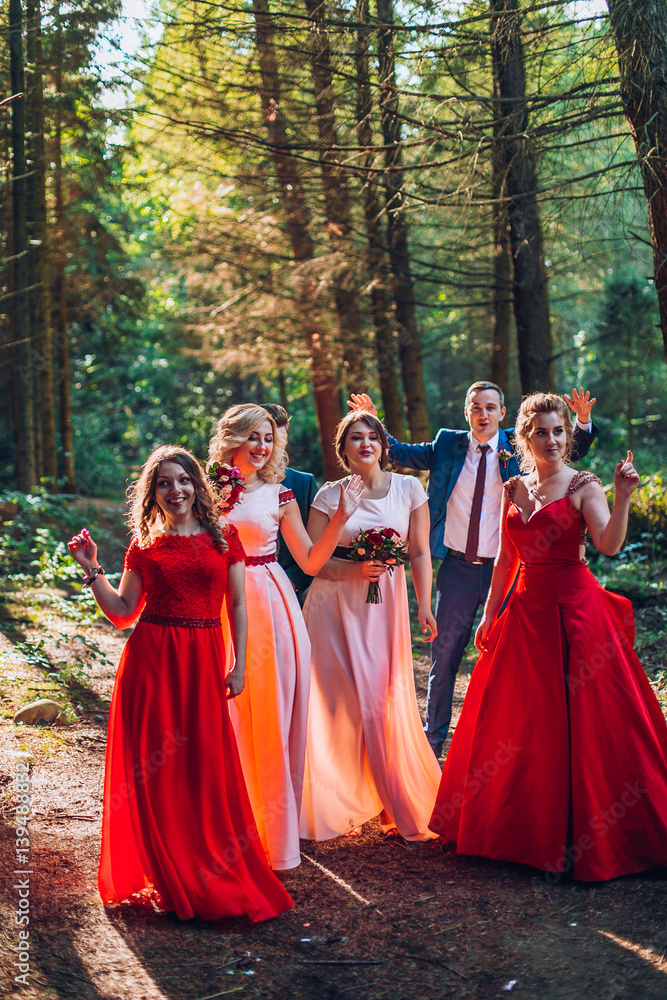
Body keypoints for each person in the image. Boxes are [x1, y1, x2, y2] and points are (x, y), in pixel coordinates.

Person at [429, 394, 667, 881]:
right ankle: (517, 831)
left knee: (589, 719)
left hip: (575, 611)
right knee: (520, 718)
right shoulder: (513, 485)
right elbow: (504, 561)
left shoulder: (584, 485)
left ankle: (593, 835)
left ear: (569, 434)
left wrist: (623, 497)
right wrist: (489, 615)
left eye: (559, 431)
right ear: (525, 437)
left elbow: (608, 544)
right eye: (542, 432)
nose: (552, 440)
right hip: (525, 612)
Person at [67, 445, 293, 921]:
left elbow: (237, 605)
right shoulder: (144, 546)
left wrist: (238, 665)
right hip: (151, 665)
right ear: (153, 493)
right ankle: (167, 870)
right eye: (165, 483)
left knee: (204, 767)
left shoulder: (225, 537)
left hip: (205, 660)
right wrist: (92, 567)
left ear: (198, 485)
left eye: (184, 480)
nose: (177, 490)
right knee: (158, 773)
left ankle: (210, 867)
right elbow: (123, 613)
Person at [349, 385, 598, 759]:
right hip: (457, 569)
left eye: (491, 408)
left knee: (511, 660)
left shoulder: (521, 447)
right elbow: (398, 452)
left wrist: (581, 422)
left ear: (502, 413)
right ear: (467, 412)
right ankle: (432, 747)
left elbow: (563, 451)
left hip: (513, 571)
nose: (483, 414)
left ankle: (504, 746)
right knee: (444, 656)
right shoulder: (447, 444)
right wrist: (372, 420)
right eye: (476, 407)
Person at [209, 404, 363, 870]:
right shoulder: (205, 491)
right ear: (233, 439)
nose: (261, 446)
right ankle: (221, 825)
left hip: (270, 603)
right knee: (223, 712)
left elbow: (311, 562)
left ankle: (271, 832)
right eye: (253, 436)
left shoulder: (281, 496)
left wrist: (340, 518)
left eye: (269, 438)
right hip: (214, 604)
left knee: (270, 713)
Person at [299, 410, 442, 843]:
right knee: (337, 705)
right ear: (342, 449)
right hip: (333, 608)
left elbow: (418, 553)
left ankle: (393, 799)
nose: (366, 444)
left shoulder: (409, 488)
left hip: (385, 608)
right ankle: (338, 798)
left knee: (381, 703)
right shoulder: (329, 495)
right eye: (355, 438)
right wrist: (355, 569)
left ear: (383, 445)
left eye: (373, 437)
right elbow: (314, 564)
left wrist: (424, 605)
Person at [262, 403, 318, 606]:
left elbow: (316, 544)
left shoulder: (303, 484)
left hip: (291, 593)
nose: (270, 450)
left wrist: (291, 582)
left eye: (279, 443)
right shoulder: (228, 485)